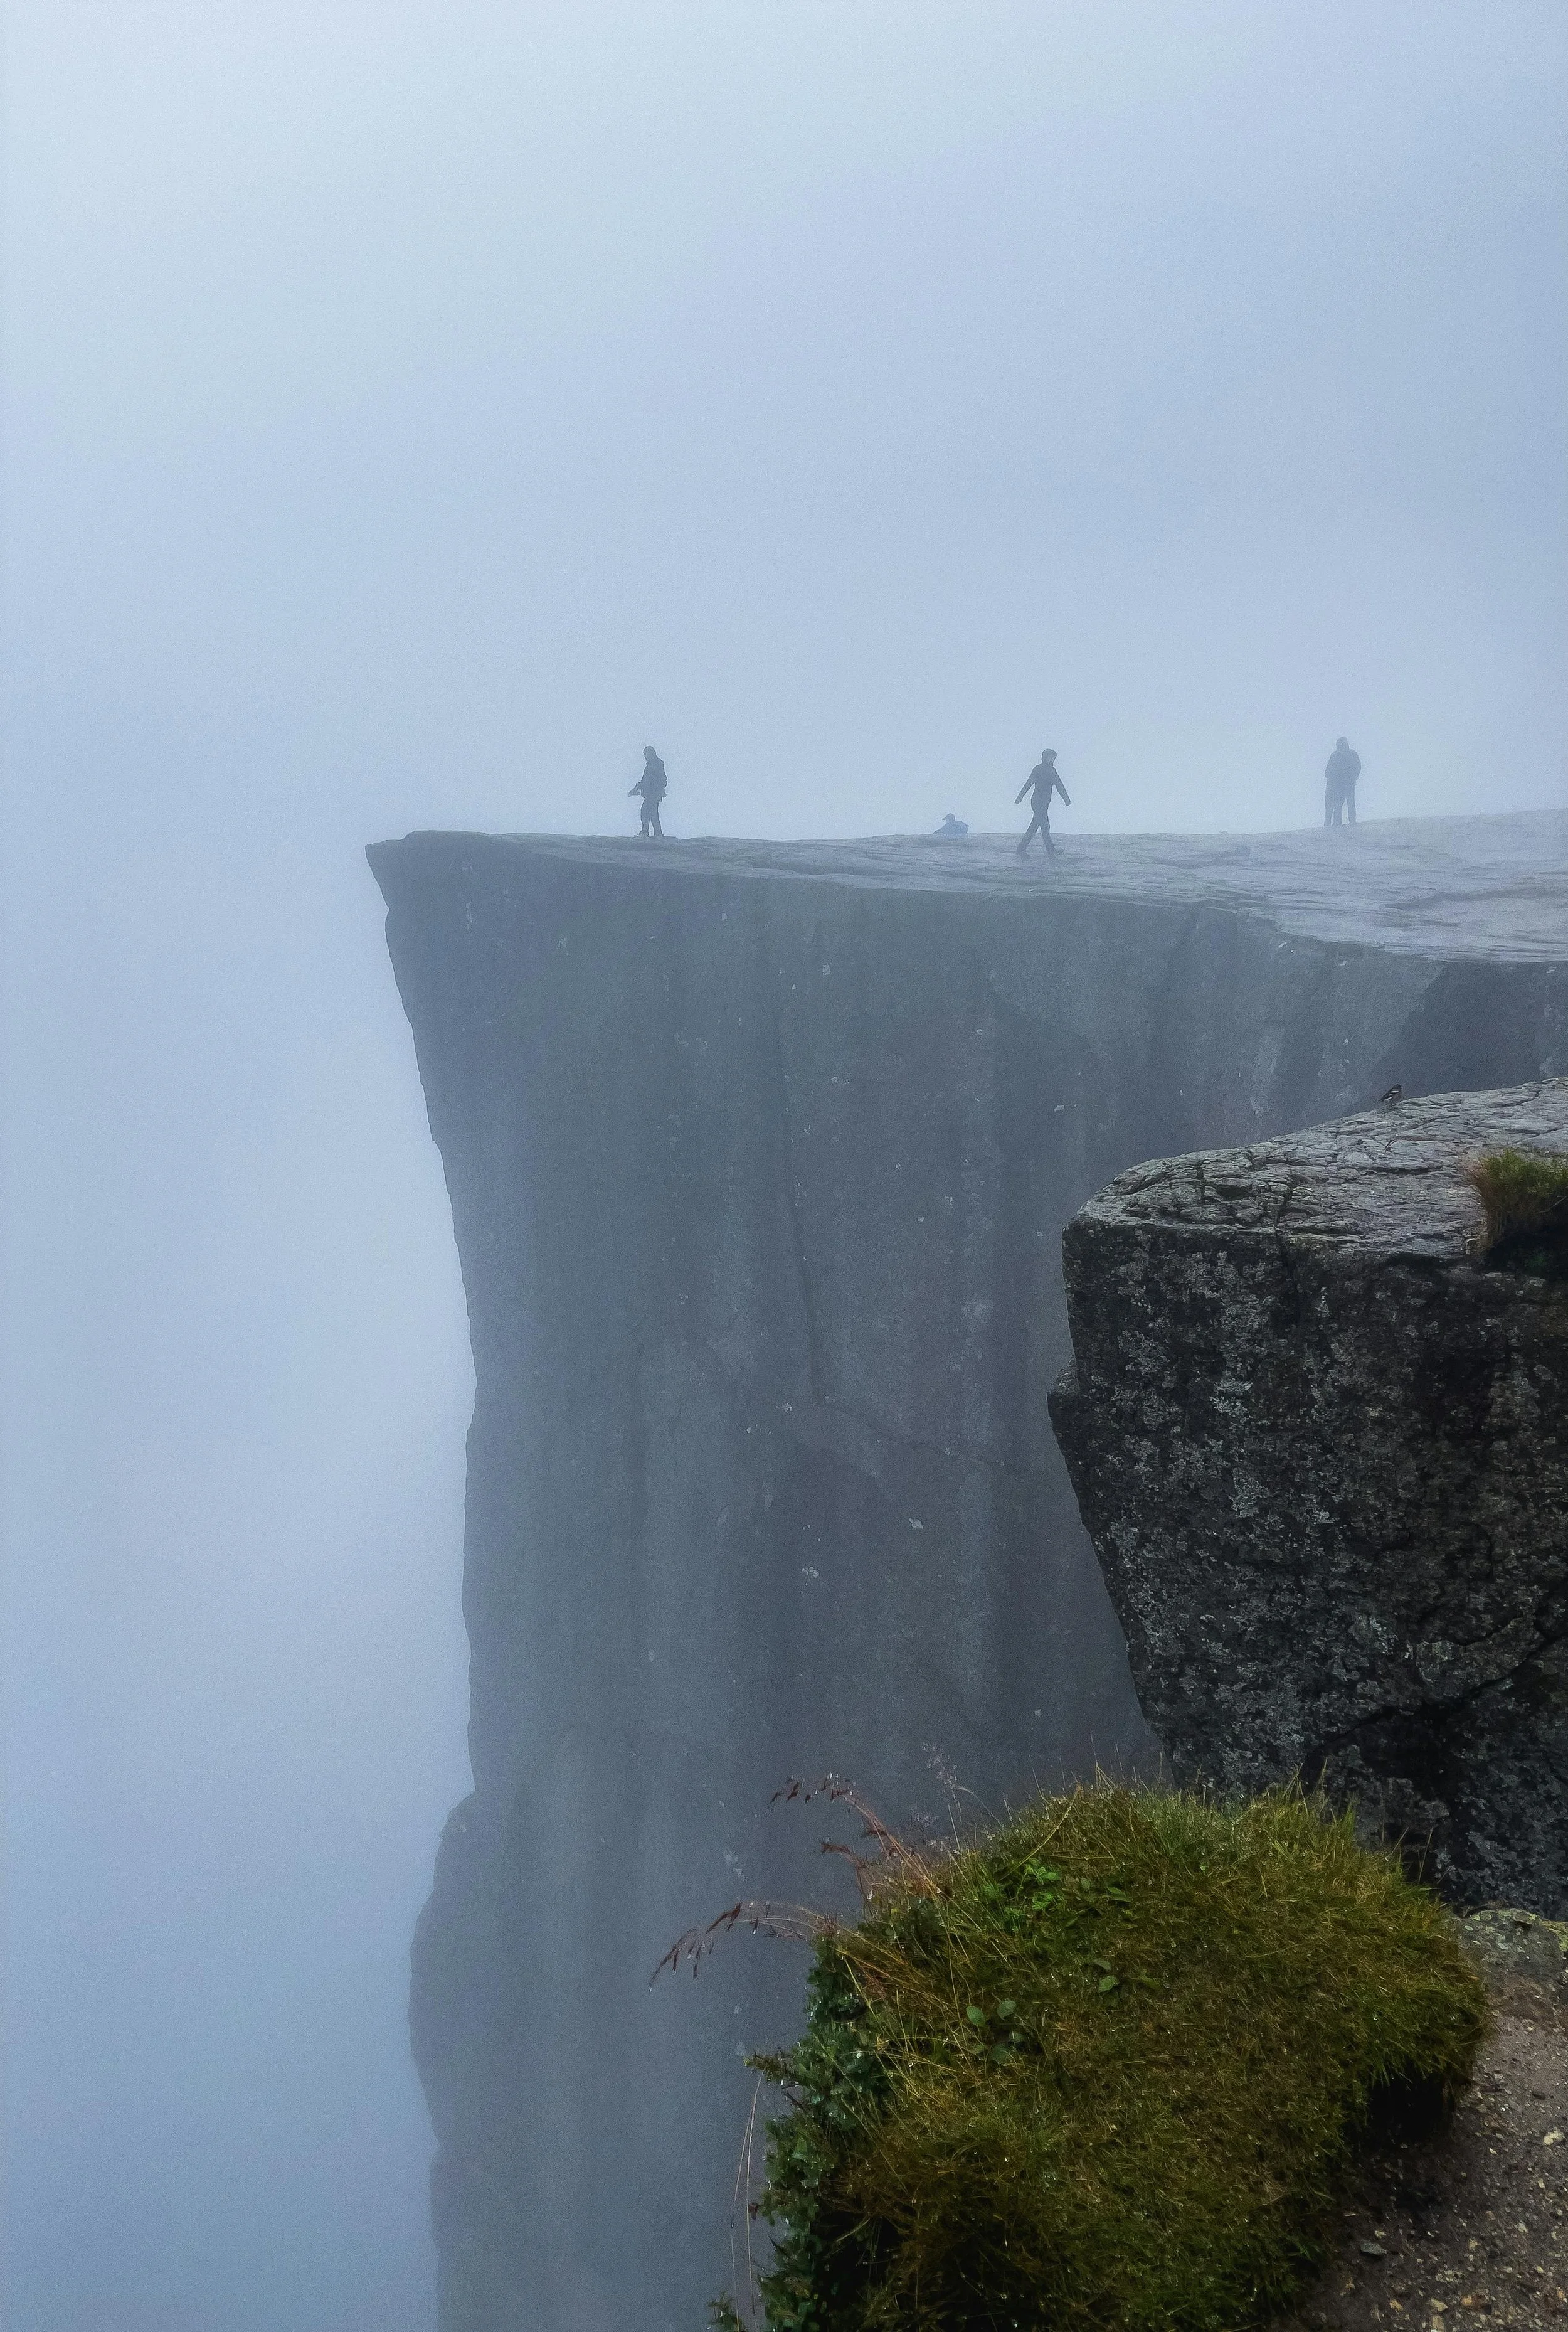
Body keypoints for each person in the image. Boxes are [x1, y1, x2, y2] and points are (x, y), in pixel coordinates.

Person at [1015, 748, 1071, 857]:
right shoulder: (1049, 771)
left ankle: (1047, 850)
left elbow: (1028, 784)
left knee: (1039, 826)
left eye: (1054, 758)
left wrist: (1020, 797)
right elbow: (1059, 786)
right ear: (1046, 757)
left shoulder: (1040, 769)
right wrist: (1067, 800)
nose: (1053, 760)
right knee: (1043, 826)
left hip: (1038, 802)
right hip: (1040, 803)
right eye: (1052, 758)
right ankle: (1023, 849)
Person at [629, 745, 668, 838]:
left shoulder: (656, 765)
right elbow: (645, 781)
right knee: (652, 814)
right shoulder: (651, 765)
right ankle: (657, 834)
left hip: (653, 794)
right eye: (645, 755)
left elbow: (663, 780)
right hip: (650, 794)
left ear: (653, 754)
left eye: (647, 754)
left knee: (646, 813)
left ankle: (647, 833)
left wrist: (660, 790)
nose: (646, 757)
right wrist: (637, 788)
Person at [1323, 736, 1361, 827]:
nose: (1340, 747)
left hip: (1346, 784)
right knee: (1340, 804)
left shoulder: (1350, 754)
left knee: (1345, 803)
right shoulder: (1336, 755)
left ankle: (1346, 823)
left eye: (1342, 745)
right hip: (1341, 785)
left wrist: (1353, 778)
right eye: (1339, 745)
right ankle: (1340, 823)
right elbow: (1328, 771)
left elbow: (1358, 768)